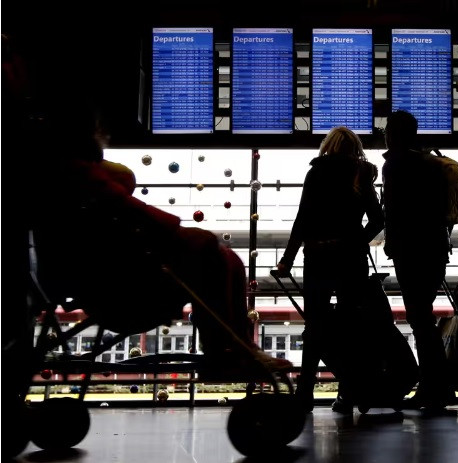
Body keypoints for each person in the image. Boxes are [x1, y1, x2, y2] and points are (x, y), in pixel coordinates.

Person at [2, 27, 291, 396]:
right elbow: (140, 220)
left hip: (94, 281)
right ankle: (229, 350)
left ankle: (233, 349)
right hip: (120, 287)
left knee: (217, 255)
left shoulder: (49, 167)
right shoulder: (77, 175)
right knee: (217, 256)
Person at [276, 126, 384, 413]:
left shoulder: (317, 173)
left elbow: (303, 219)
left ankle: (305, 394)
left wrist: (287, 259)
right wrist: (355, 242)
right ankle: (348, 394)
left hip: (318, 255)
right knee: (351, 328)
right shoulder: (361, 175)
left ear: (328, 146)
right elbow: (377, 220)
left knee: (315, 326)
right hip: (351, 260)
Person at [381, 110, 454, 411]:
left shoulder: (396, 164)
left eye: (387, 129)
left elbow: (395, 209)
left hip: (411, 249)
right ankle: (438, 386)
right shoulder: (433, 164)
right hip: (436, 248)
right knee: (424, 316)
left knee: (419, 318)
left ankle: (432, 388)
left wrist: (391, 243)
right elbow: (446, 212)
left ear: (394, 133)